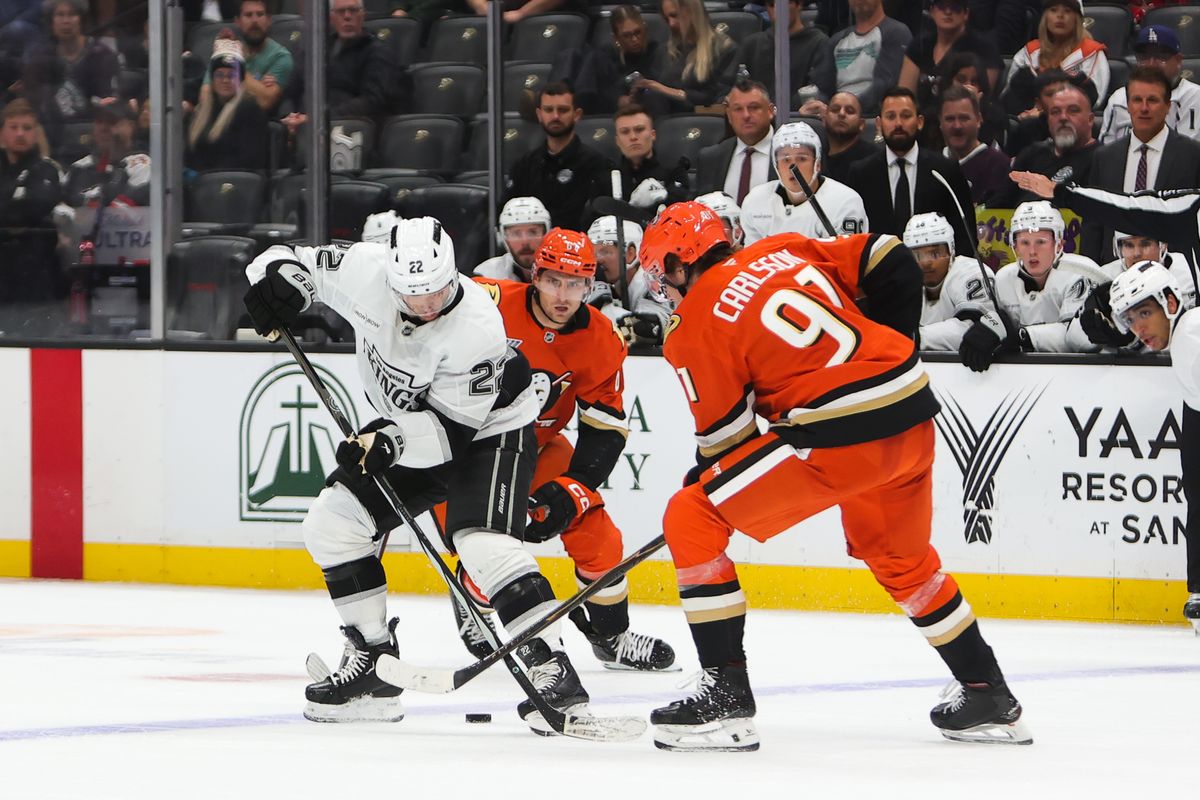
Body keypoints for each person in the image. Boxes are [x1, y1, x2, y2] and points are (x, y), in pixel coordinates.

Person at [637, 201, 1030, 751]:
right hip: (910, 408)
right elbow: (890, 256)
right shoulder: (780, 249)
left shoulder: (692, 324)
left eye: (664, 276)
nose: (666, 290)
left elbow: (727, 439)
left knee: (691, 514)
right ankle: (987, 691)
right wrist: (891, 347)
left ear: (680, 264)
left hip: (834, 436)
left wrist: (706, 475)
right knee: (900, 557)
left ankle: (724, 697)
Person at [241, 216, 601, 732]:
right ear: (389, 278)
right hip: (406, 425)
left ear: (453, 273)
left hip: (489, 427)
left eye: (436, 291)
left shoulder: (476, 325)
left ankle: (553, 668)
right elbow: (283, 258)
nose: (427, 305)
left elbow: (449, 437)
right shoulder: (364, 269)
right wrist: (280, 286)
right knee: (333, 524)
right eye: (413, 295)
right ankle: (372, 664)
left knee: (480, 542)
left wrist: (387, 441)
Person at [458, 229, 677, 672]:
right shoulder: (489, 300)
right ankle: (472, 595)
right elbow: (418, 296)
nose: (563, 295)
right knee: (492, 542)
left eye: (576, 283)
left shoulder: (601, 338)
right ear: (535, 276)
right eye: (554, 280)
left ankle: (610, 636)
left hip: (537, 446)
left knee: (600, 539)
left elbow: (605, 427)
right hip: (465, 450)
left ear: (590, 285)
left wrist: (575, 486)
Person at [1107, 262, 1200, 631]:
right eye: (1130, 319)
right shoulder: (1186, 337)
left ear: (1172, 301)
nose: (1138, 327)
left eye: (1145, 312)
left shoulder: (1192, 334)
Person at [1088, 66, 1200, 262]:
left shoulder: (1192, 155)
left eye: (1153, 100)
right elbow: (1093, 223)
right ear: (1128, 105)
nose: (1144, 108)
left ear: (1168, 106)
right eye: (1137, 100)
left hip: (1176, 271)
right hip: (1115, 270)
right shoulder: (1105, 157)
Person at [846, 87, 976, 255]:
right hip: (878, 274)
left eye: (906, 116)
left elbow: (966, 235)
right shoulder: (861, 173)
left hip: (937, 274)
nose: (898, 123)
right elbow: (851, 237)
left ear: (919, 122)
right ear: (879, 124)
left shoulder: (945, 170)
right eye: (891, 116)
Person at [993, 200, 1106, 353]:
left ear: (1059, 244)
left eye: (1041, 242)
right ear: (1015, 246)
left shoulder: (1083, 272)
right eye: (1024, 242)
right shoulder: (1003, 278)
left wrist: (1023, 336)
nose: (1032, 251)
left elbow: (1075, 338)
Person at [506, 82, 613, 232]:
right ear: (539, 115)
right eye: (548, 110)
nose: (555, 116)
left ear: (577, 115)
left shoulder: (596, 165)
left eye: (563, 110)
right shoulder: (524, 165)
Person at [904, 212, 1006, 370]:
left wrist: (914, 338)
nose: (925, 263)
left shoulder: (971, 272)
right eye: (917, 255)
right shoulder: (903, 281)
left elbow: (975, 329)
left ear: (951, 250)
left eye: (935, 253)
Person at [740, 120, 868, 243]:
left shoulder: (845, 202)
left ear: (817, 164)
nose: (793, 167)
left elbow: (848, 258)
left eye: (802, 158)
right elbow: (751, 259)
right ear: (776, 165)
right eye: (785, 159)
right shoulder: (755, 201)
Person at [1069, 231, 1196, 352]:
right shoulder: (1102, 278)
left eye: (1145, 244)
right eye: (1129, 245)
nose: (1137, 253)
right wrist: (1095, 335)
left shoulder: (1193, 271)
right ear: (1118, 248)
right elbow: (1071, 342)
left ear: (1163, 245)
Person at [0, 96, 61, 336]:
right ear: (3, 131)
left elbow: (37, 206)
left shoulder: (46, 170)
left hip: (33, 276)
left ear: (36, 133)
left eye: (27, 128)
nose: (20, 134)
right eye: (13, 127)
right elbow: (18, 212)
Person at [20, 0, 118, 147]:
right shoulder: (39, 57)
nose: (65, 21)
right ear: (51, 21)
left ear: (81, 19)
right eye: (60, 15)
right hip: (51, 137)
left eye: (72, 15)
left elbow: (108, 101)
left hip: (93, 137)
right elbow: (34, 104)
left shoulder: (102, 55)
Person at [991, 83, 1097, 209]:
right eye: (1055, 112)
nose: (1063, 117)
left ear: (1090, 119)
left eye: (1073, 111)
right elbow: (998, 205)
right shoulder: (1031, 154)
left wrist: (1054, 192)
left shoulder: (1103, 159)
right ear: (1048, 120)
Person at [1002, 0, 1108, 119]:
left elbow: (1095, 99)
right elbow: (1011, 95)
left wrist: (1045, 114)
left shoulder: (1090, 53)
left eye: (1067, 11)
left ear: (1077, 19)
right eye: (1053, 10)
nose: (1060, 16)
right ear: (1045, 17)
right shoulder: (1029, 52)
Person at [631, 0, 736, 116]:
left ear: (693, 12)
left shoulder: (722, 49)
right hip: (663, 121)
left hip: (703, 119)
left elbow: (715, 98)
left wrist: (666, 90)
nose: (671, 23)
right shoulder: (664, 51)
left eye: (674, 15)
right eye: (667, 19)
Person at [1101, 25, 1200, 145]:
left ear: (1178, 60)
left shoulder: (1195, 96)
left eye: (1161, 56)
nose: (1151, 63)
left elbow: (1189, 154)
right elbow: (1106, 153)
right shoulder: (1118, 98)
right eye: (1144, 56)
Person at [898, 0, 1001, 115]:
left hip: (963, 119)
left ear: (966, 13)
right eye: (942, 6)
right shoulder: (919, 44)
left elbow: (983, 100)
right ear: (932, 11)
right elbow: (904, 97)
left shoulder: (984, 48)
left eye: (955, 7)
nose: (948, 12)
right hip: (921, 122)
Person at [585, 214, 677, 343]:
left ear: (630, 253)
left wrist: (605, 310)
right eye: (593, 253)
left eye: (605, 251)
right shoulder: (604, 284)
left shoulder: (653, 281)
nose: (598, 259)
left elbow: (649, 329)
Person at [185, 40, 269, 173]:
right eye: (219, 75)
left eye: (231, 75)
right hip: (200, 184)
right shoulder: (202, 110)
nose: (225, 80)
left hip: (232, 183)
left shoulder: (250, 109)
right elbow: (190, 152)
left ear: (240, 79)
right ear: (212, 79)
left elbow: (249, 159)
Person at [735, 0, 835, 110]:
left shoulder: (819, 42)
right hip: (754, 117)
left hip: (800, 119)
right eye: (772, 5)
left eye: (784, 3)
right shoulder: (751, 44)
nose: (777, 10)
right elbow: (730, 86)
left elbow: (820, 90)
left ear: (799, 4)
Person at [201, 0, 293, 116]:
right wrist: (257, 87)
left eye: (260, 14)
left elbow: (264, 102)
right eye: (248, 15)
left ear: (269, 20)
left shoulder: (281, 57)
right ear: (238, 21)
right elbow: (205, 97)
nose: (255, 20)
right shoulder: (227, 49)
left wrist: (233, 63)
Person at [694, 79, 776, 201]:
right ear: (729, 115)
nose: (746, 115)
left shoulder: (790, 155)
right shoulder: (711, 158)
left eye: (753, 107)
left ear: (770, 111)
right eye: (738, 109)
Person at [828, 0, 912, 116]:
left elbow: (884, 85)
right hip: (837, 114)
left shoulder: (896, 33)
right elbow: (822, 85)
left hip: (871, 115)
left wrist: (847, 108)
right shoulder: (836, 40)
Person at [938, 85, 1012, 206]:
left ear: (978, 119)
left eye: (964, 118)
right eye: (950, 119)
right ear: (940, 122)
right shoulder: (929, 166)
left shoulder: (999, 165)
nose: (957, 126)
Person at [613, 104, 690, 207]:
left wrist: (664, 197)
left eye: (639, 129)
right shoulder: (607, 174)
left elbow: (682, 209)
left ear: (653, 135)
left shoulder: (674, 170)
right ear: (617, 141)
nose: (633, 137)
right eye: (625, 132)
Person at [475, 197, 551, 282]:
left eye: (533, 232)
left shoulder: (564, 273)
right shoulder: (487, 275)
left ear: (547, 234)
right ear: (502, 237)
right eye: (516, 233)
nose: (525, 241)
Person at [820, 90, 879, 183]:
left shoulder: (873, 159)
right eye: (835, 109)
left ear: (861, 125)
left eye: (850, 111)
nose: (841, 114)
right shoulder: (814, 154)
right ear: (824, 119)